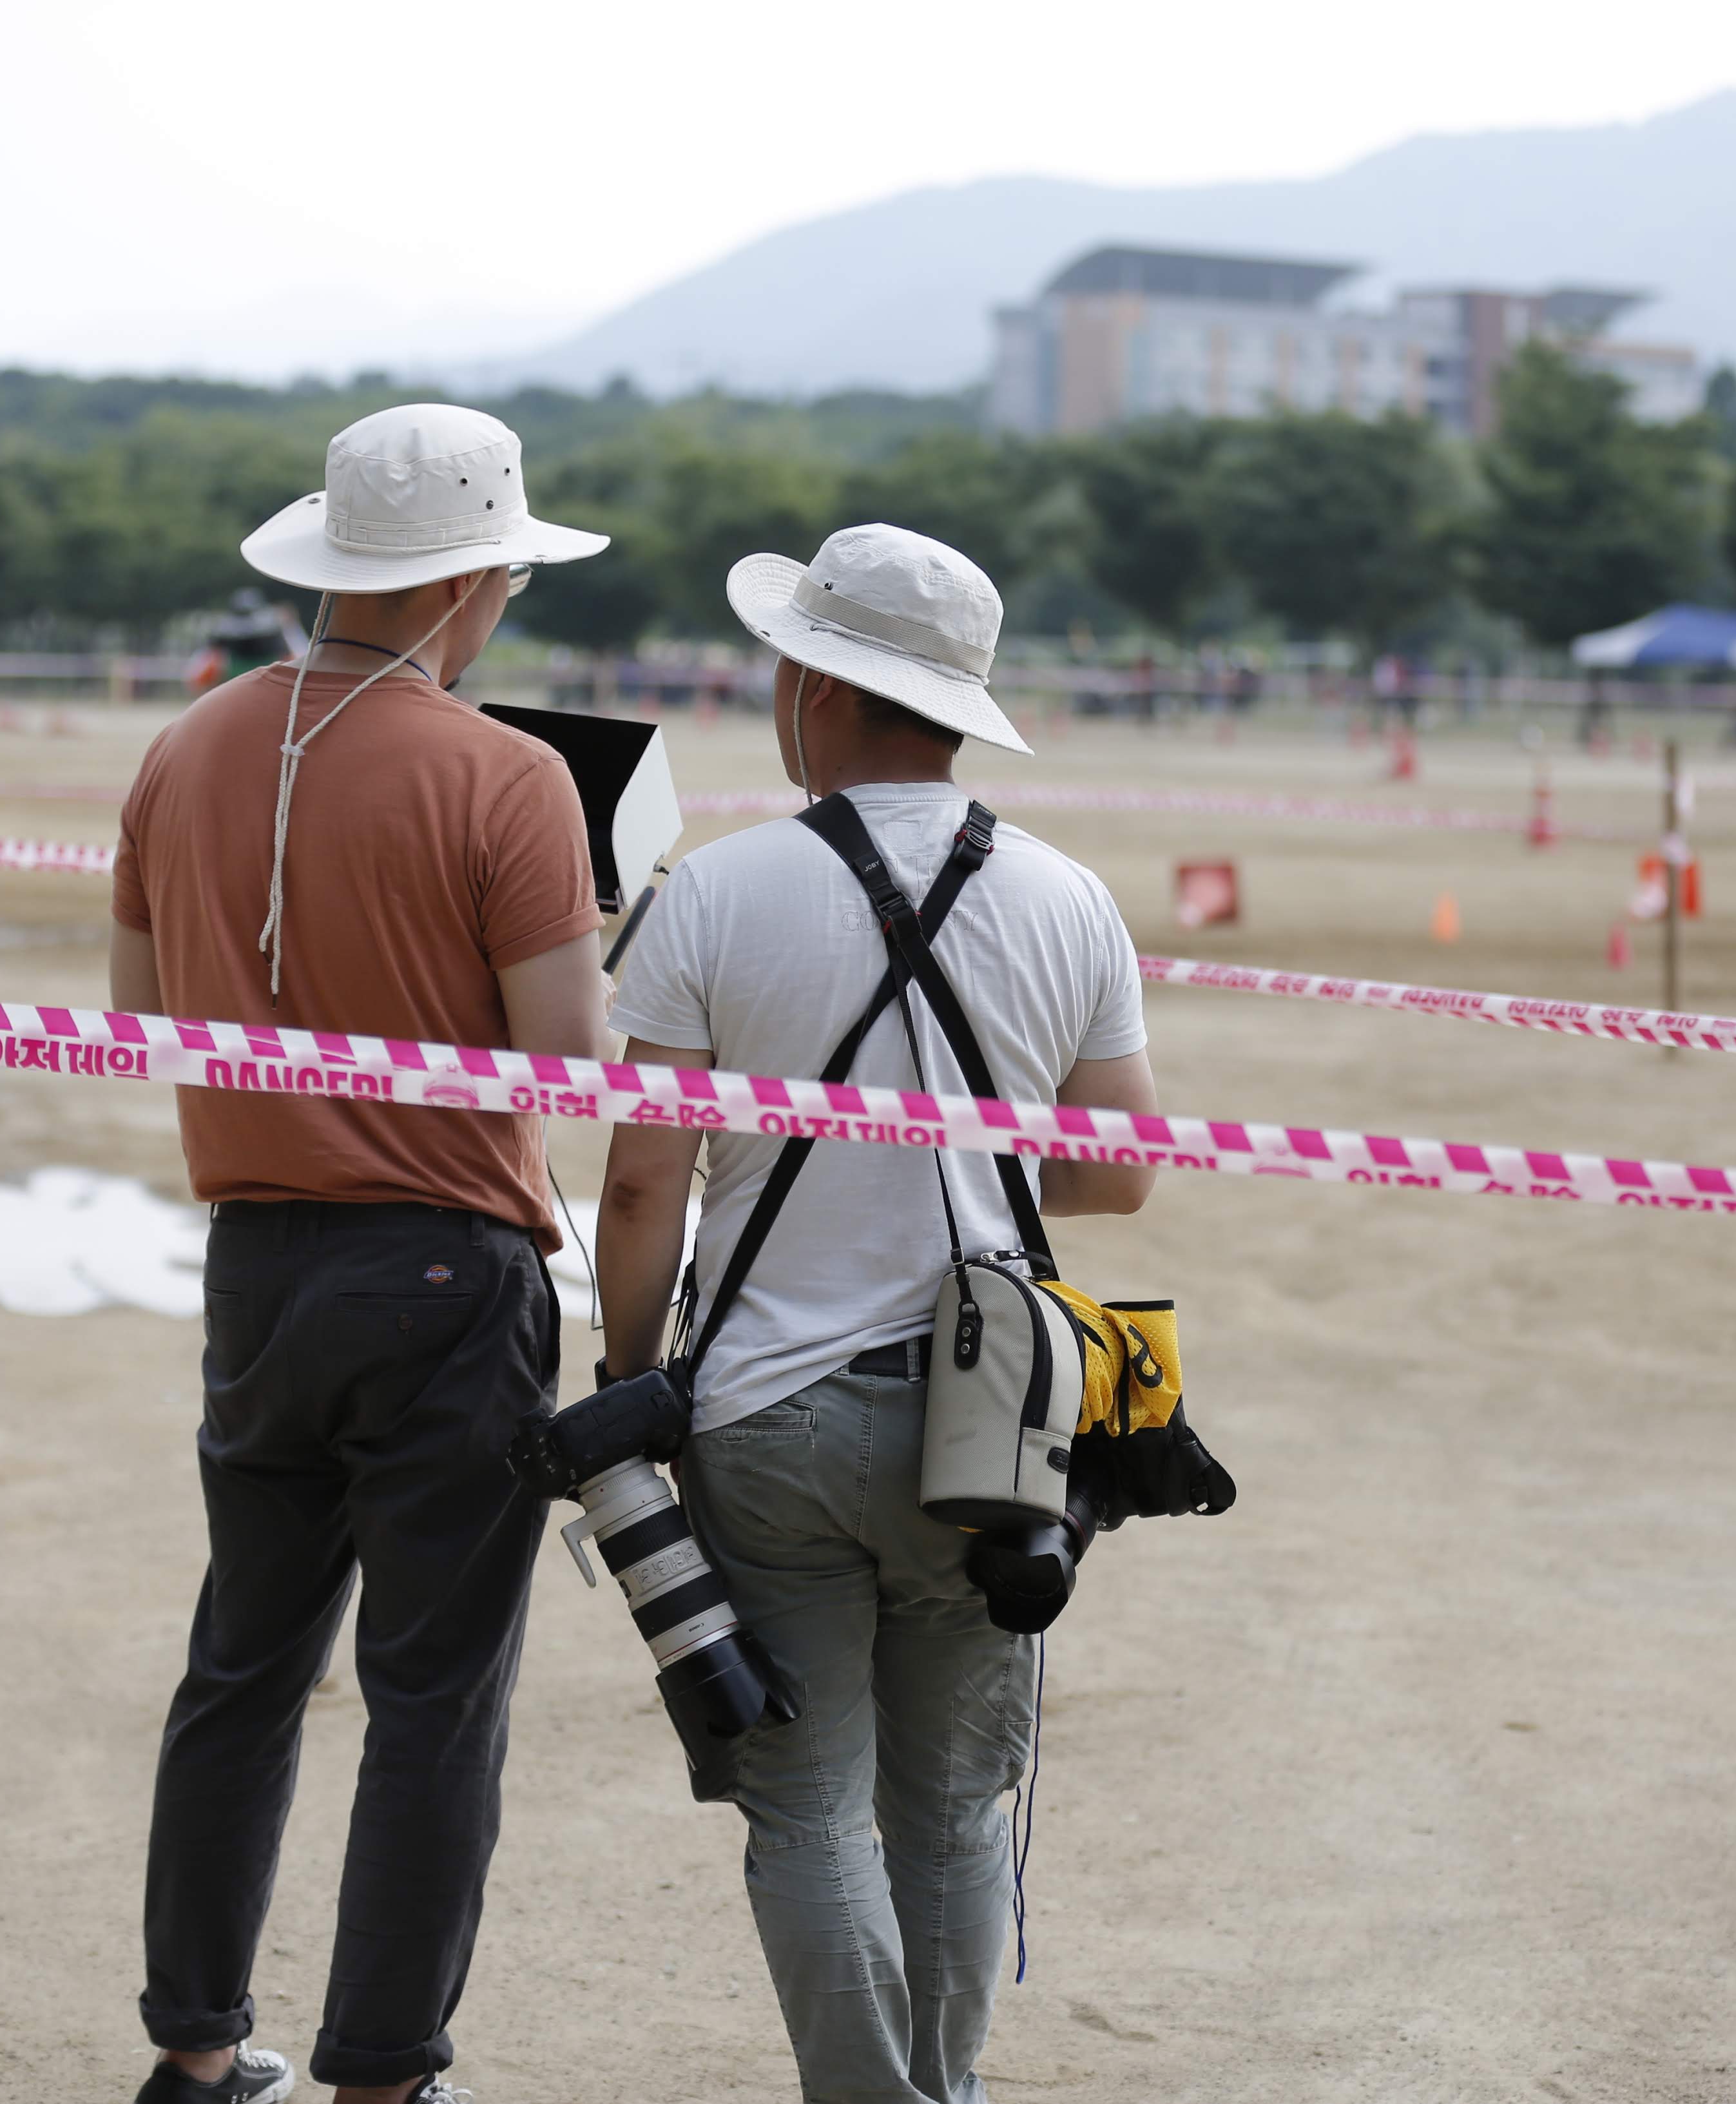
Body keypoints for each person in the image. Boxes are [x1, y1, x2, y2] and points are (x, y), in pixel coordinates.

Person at [593, 524, 1164, 2104]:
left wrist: (629, 1387)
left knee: (803, 1808)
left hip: (768, 1413)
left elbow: (644, 1188)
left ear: (809, 684)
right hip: (996, 1421)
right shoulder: (1066, 897)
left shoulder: (713, 893)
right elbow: (1117, 1172)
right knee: (954, 1808)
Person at [110, 403, 613, 2104]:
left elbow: (137, 1013)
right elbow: (564, 1061)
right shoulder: (510, 774)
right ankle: (384, 2074)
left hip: (255, 1257)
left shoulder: (180, 750)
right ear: (473, 581)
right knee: (432, 1694)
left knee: (242, 1665)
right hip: (445, 1265)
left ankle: (193, 2046)